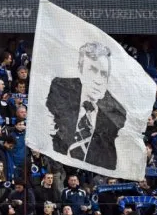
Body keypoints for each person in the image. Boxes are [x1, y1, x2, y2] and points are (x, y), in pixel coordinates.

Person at [46, 42, 126, 170]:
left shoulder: (116, 112)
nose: (98, 80)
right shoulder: (60, 89)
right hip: (58, 166)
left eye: (103, 74)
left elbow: (109, 159)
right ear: (80, 69)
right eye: (92, 70)